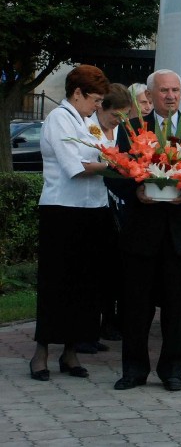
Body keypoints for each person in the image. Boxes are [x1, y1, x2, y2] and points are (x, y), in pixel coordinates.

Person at [114, 69, 181, 392]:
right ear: (149, 96)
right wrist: (133, 192)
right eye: (164, 90)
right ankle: (134, 370)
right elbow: (115, 170)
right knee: (136, 307)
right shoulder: (132, 128)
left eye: (176, 90)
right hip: (142, 231)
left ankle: (173, 370)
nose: (171, 96)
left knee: (178, 309)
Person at [29, 65, 111, 382]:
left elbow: (106, 152)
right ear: (77, 93)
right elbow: (73, 166)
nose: (98, 106)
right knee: (56, 283)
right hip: (62, 210)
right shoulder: (58, 119)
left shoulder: (90, 122)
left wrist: (110, 162)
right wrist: (111, 166)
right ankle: (41, 352)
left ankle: (72, 350)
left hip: (94, 208)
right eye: (95, 99)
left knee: (86, 284)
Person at [85, 83, 132, 349]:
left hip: (116, 207)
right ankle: (92, 326)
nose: (119, 121)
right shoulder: (90, 127)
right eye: (116, 115)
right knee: (96, 270)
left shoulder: (119, 131)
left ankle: (110, 320)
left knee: (115, 270)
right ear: (102, 107)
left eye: (124, 116)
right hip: (93, 204)